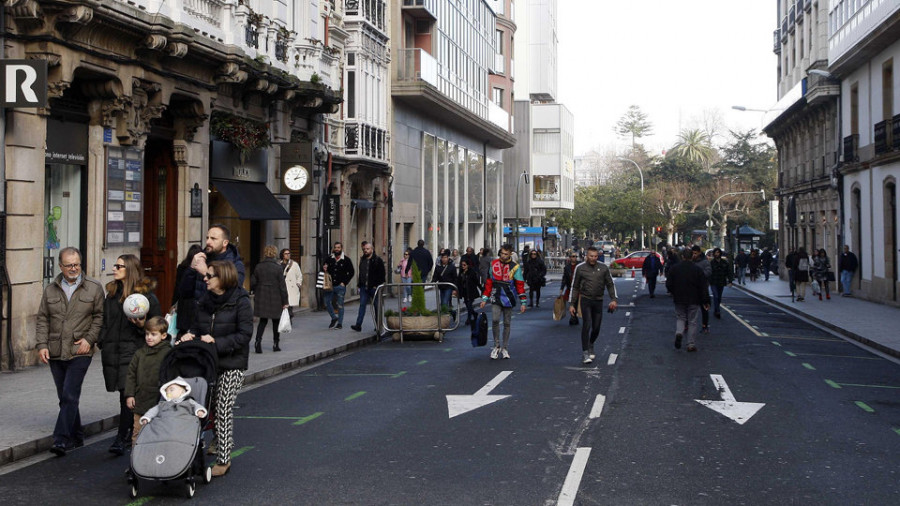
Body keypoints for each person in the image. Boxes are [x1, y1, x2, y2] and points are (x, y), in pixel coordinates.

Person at [181, 260, 253, 477]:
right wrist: (188, 335)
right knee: (201, 408)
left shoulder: (240, 300)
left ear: (222, 278)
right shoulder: (204, 301)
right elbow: (195, 327)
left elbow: (244, 334)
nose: (205, 278)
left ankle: (224, 459)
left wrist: (216, 342)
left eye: (209, 275)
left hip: (232, 363)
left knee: (222, 408)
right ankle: (190, 453)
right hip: (207, 364)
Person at [36, 247, 105, 457]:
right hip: (56, 350)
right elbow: (42, 319)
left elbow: (99, 317)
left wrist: (89, 339)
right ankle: (77, 435)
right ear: (60, 266)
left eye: (77, 264)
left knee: (69, 394)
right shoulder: (50, 290)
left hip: (80, 350)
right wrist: (41, 345)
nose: (74, 268)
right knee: (64, 397)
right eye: (69, 265)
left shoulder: (93, 288)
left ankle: (61, 439)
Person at [99, 254, 163, 456]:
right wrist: (102, 340)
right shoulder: (111, 294)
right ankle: (128, 433)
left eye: (120, 266)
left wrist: (142, 326)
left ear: (130, 270)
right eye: (115, 265)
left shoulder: (145, 298)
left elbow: (159, 327)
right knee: (122, 393)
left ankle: (121, 437)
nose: (115, 269)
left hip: (134, 352)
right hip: (112, 351)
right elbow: (104, 320)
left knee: (127, 394)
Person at [124, 316, 171, 446]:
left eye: (153, 334)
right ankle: (135, 463)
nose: (149, 337)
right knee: (137, 433)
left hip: (159, 402)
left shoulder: (168, 353)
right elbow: (131, 374)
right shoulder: (140, 353)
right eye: (147, 334)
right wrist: (130, 395)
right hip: (141, 400)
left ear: (163, 335)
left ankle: (154, 463)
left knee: (157, 435)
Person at [569, 246, 618, 364]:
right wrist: (572, 304)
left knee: (596, 327)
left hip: (598, 301)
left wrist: (614, 299)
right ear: (586, 256)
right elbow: (574, 287)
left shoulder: (603, 267)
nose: (593, 258)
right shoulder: (580, 268)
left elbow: (610, 284)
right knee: (587, 324)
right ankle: (585, 352)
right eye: (591, 256)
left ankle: (591, 343)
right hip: (586, 300)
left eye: (595, 256)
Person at [480, 244, 527, 359]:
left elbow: (520, 285)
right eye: (502, 253)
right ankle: (496, 346)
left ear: (511, 254)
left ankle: (505, 348)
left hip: (509, 298)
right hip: (496, 296)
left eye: (506, 254)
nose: (503, 256)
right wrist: (484, 298)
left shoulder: (515, 267)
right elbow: (489, 282)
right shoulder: (494, 264)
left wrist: (523, 302)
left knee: (507, 323)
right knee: (495, 320)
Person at [182, 224, 247, 303]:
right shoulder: (202, 258)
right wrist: (191, 268)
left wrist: (206, 273)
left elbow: (232, 294)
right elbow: (185, 292)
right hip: (199, 312)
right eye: (207, 238)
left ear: (225, 243)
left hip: (220, 313)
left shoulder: (235, 265)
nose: (208, 242)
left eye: (213, 239)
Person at [666, 248, 710, 352]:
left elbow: (669, 284)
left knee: (680, 317)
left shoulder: (675, 268)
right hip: (694, 298)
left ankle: (679, 332)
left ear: (682, 257)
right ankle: (690, 344)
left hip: (679, 297)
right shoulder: (697, 269)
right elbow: (703, 286)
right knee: (692, 321)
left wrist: (673, 292)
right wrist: (705, 300)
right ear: (692, 256)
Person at [251, 245, 289, 352]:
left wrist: (258, 288)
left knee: (262, 321)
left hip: (262, 295)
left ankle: (258, 342)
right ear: (274, 254)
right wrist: (285, 301)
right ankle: (276, 344)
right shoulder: (278, 268)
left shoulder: (259, 266)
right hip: (275, 296)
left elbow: (253, 282)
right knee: (276, 322)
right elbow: (282, 286)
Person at [139, 377, 208, 425]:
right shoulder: (163, 403)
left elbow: (196, 406)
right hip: (165, 424)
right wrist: (147, 417)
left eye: (171, 390)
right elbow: (153, 411)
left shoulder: (189, 401)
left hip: (183, 424)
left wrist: (199, 411)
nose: (168, 392)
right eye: (166, 391)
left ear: (182, 391)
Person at [352, 241, 386, 332]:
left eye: (367, 249)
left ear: (372, 249)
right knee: (362, 305)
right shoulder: (362, 259)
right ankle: (358, 325)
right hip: (364, 287)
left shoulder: (377, 260)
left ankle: (378, 325)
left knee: (376, 306)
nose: (365, 250)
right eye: (364, 249)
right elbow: (361, 273)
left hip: (374, 288)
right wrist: (359, 285)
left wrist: (376, 285)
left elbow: (382, 275)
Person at [172, 244, 203, 337]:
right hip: (192, 302)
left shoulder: (182, 267)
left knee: (183, 331)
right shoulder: (199, 268)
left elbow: (177, 287)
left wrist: (173, 303)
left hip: (184, 303)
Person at [323, 242, 354, 329]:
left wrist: (344, 282)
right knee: (327, 302)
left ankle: (340, 323)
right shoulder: (329, 259)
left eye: (338, 247)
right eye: (335, 247)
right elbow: (324, 268)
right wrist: (324, 268)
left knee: (340, 305)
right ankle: (334, 317)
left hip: (340, 286)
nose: (337, 249)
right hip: (330, 286)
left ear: (341, 248)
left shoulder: (346, 260)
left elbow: (351, 272)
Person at [708, 248, 734, 319]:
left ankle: (716, 309)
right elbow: (709, 272)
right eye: (716, 253)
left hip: (721, 282)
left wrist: (730, 281)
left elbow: (729, 272)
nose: (717, 254)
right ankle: (718, 311)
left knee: (719, 297)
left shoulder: (724, 262)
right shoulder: (711, 263)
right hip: (713, 282)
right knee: (715, 296)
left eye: (718, 253)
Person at [692, 245, 712, 333]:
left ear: (699, 253)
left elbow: (708, 272)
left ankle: (705, 325)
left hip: (702, 288)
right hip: (691, 287)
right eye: (692, 253)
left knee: (704, 307)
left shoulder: (705, 262)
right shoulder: (690, 261)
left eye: (695, 253)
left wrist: (698, 274)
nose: (694, 255)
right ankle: (687, 325)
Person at [457, 258, 482, 325]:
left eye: (464, 265)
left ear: (467, 265)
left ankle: (468, 319)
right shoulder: (461, 272)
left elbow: (476, 282)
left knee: (469, 305)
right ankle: (474, 314)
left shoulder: (471, 272)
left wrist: (482, 290)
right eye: (462, 265)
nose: (463, 266)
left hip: (471, 291)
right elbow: (458, 282)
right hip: (464, 292)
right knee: (468, 306)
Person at [559, 252, 580, 325]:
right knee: (571, 303)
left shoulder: (579, 266)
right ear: (570, 258)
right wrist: (561, 288)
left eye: (575, 256)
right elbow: (564, 278)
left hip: (578, 288)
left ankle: (574, 316)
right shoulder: (567, 267)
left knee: (576, 303)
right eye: (573, 256)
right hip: (570, 288)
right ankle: (573, 317)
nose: (574, 258)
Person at [280, 248, 303, 312]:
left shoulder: (294, 264)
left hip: (291, 288)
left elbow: (299, 275)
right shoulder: (279, 265)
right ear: (282, 255)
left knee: (289, 308)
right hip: (282, 288)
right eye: (286, 254)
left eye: (289, 253)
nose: (287, 255)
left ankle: (289, 320)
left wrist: (298, 284)